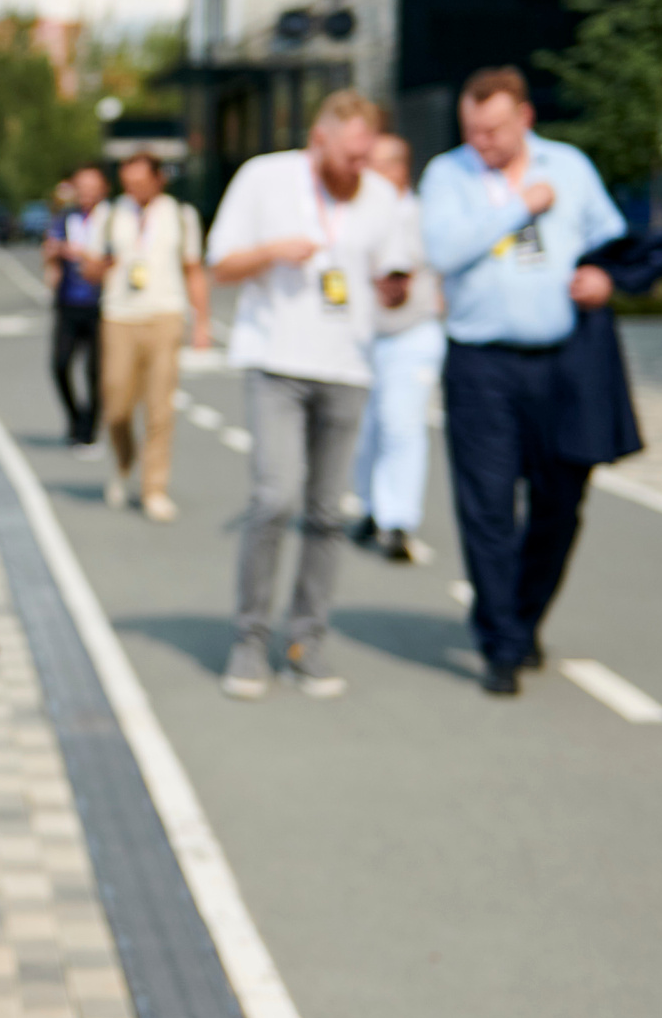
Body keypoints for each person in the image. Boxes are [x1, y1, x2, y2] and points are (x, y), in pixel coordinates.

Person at [416, 67, 625, 697]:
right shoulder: (446, 176)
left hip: (563, 362)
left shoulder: (570, 166)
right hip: (483, 365)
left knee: (561, 504)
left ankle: (524, 615)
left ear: (525, 120)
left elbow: (610, 238)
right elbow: (444, 252)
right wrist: (517, 206)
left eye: (494, 130)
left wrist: (604, 279)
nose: (481, 141)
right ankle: (501, 644)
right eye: (472, 130)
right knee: (487, 507)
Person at [205, 92, 413, 700]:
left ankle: (306, 643)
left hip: (348, 366)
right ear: (319, 141)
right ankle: (249, 641)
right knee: (275, 497)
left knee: (327, 514)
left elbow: (395, 277)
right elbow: (220, 265)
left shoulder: (381, 196)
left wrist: (396, 288)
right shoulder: (265, 178)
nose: (358, 168)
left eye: (366, 156)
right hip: (278, 363)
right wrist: (272, 251)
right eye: (349, 155)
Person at [85, 152, 212, 522]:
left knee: (160, 406)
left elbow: (193, 270)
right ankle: (125, 460)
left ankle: (154, 487)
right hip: (120, 316)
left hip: (165, 315)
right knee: (116, 404)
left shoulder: (181, 216)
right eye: (129, 182)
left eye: (141, 181)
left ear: (159, 179)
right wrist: (96, 267)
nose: (135, 189)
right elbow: (91, 268)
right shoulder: (109, 215)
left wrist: (202, 323)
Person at [349, 131, 444, 566]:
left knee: (401, 426)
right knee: (369, 429)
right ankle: (371, 507)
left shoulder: (417, 215)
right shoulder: (360, 213)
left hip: (410, 333)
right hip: (364, 338)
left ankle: (399, 521)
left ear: (398, 169)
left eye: (376, 162)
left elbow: (397, 286)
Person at [43, 165, 108, 450]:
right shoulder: (65, 217)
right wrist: (56, 252)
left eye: (92, 187)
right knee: (60, 364)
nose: (86, 193)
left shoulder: (112, 218)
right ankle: (75, 417)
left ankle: (89, 428)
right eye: (81, 187)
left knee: (96, 372)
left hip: (102, 304)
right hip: (69, 301)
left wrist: (85, 254)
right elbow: (50, 248)